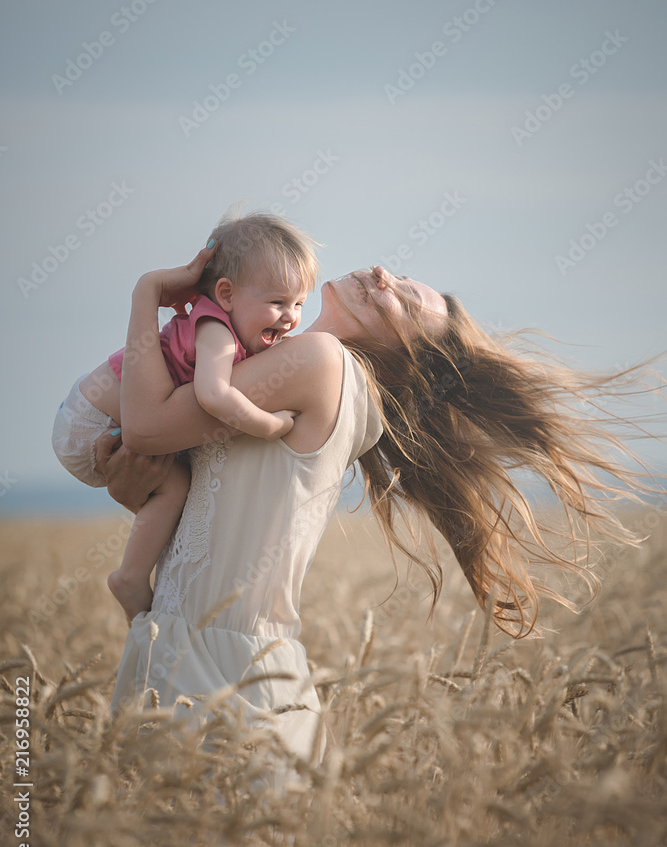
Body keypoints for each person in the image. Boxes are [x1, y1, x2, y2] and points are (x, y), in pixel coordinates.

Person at [96, 240, 660, 763]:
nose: (384, 275)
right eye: (403, 277)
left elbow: (145, 426)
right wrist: (137, 494)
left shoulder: (319, 362)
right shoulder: (279, 368)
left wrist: (146, 291)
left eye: (405, 301)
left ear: (405, 358)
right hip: (173, 650)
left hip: (232, 679)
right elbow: (213, 517)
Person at [51, 213, 318, 624]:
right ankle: (131, 577)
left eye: (298, 303)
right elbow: (213, 394)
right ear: (226, 294)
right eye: (277, 302)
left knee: (175, 489)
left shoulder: (227, 327)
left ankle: (142, 579)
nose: (290, 317)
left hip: (91, 414)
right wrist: (273, 425)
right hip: (92, 424)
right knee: (174, 490)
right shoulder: (217, 330)